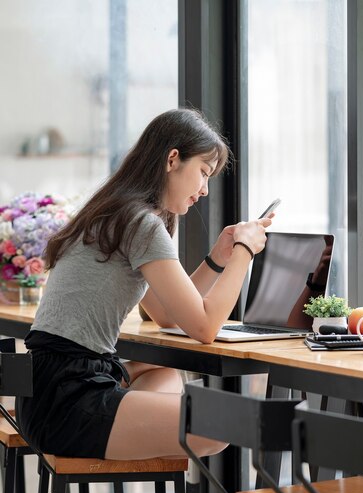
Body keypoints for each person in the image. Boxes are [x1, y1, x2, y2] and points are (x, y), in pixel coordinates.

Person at [16, 108, 273, 461]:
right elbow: (204, 326)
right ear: (172, 160)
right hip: (68, 398)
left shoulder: (116, 211)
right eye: (202, 172)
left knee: (165, 372)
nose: (204, 190)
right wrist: (245, 250)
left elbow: (167, 316)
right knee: (219, 429)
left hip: (47, 385)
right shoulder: (142, 223)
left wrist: (217, 259)